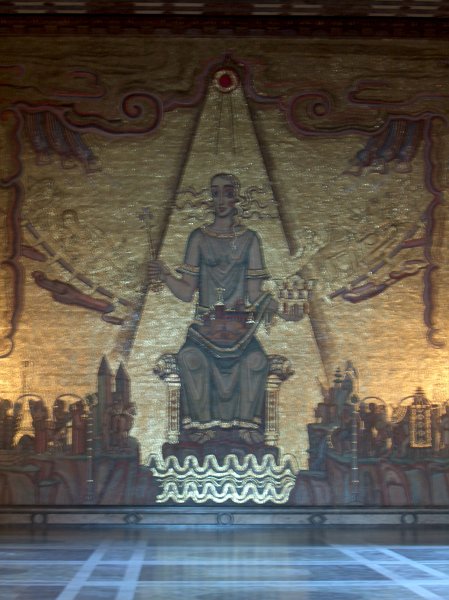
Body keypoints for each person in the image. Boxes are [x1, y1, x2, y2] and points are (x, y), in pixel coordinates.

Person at [149, 173, 279, 444]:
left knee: (256, 361)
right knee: (190, 358)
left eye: (227, 193)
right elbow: (187, 292)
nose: (221, 199)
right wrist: (164, 275)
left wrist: (280, 307)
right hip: (204, 329)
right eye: (215, 192)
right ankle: (202, 427)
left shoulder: (250, 239)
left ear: (237, 198)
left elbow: (255, 293)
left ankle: (246, 427)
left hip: (239, 330)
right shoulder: (198, 237)